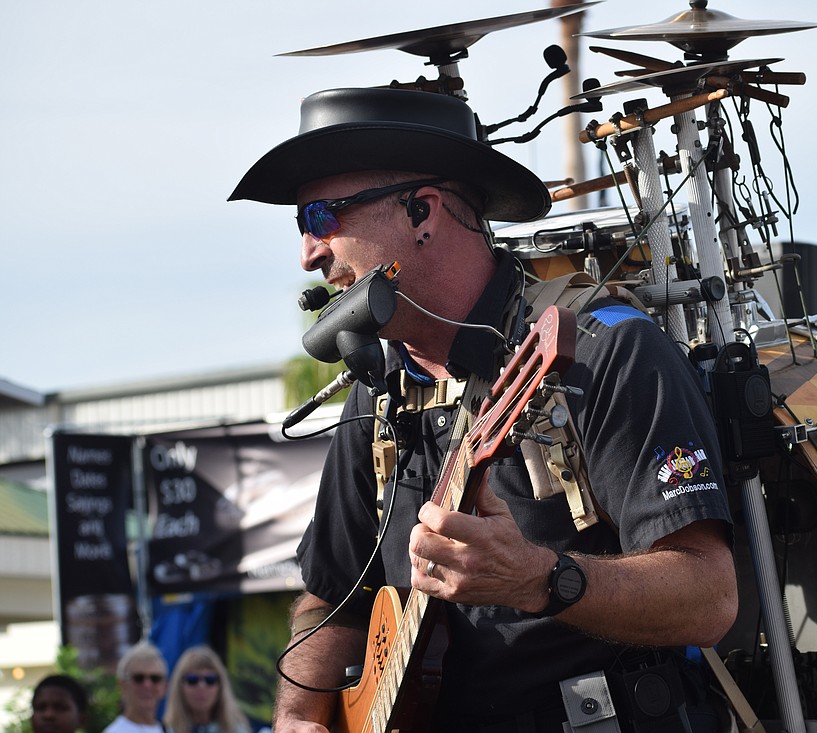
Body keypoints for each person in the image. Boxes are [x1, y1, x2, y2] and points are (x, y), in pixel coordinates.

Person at [230, 87, 739, 733]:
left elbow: (708, 596)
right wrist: (300, 714)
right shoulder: (380, 385)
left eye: (323, 216)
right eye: (302, 224)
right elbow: (332, 596)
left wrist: (540, 578)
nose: (309, 251)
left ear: (424, 210)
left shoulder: (604, 347)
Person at [163, 646, 250, 733]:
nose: (201, 686)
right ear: (179, 686)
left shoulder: (236, 730)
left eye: (210, 680)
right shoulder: (165, 729)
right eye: (192, 680)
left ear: (221, 686)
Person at [104, 641, 169, 733]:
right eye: (138, 678)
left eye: (155, 679)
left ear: (165, 687)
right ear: (122, 685)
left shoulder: (168, 729)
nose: (147, 685)